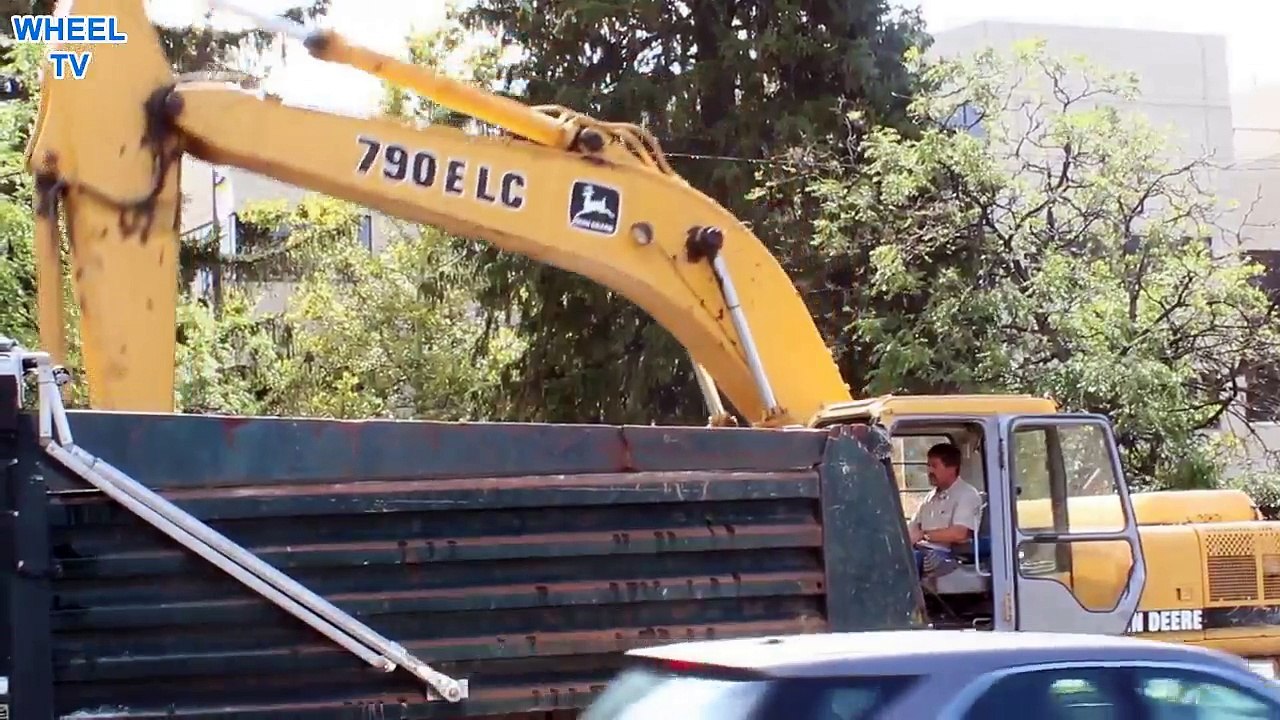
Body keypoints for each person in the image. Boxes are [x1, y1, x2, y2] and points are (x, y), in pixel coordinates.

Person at [907, 442, 982, 585]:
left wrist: (924, 535)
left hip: (944, 555)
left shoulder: (966, 494)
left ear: (951, 468)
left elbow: (960, 534)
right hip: (920, 550)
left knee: (905, 562)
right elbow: (914, 527)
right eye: (928, 466)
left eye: (934, 466)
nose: (929, 471)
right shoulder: (930, 497)